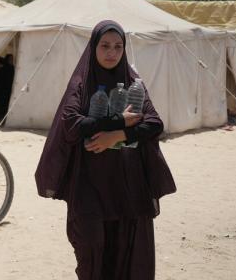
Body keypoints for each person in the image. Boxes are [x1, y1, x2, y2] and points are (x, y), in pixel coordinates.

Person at [35, 20, 176, 279]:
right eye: (105, 46)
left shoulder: (133, 82)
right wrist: (118, 120)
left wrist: (117, 136)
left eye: (118, 46)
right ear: (94, 47)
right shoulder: (82, 82)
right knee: (91, 255)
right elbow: (71, 123)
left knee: (126, 256)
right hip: (89, 186)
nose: (111, 53)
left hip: (128, 186)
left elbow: (155, 123)